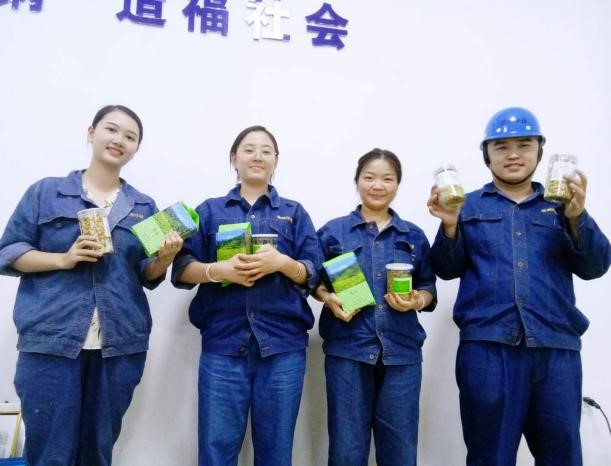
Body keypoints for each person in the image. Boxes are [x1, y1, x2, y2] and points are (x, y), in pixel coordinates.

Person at [0, 104, 183, 466]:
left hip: (119, 344)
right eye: (111, 129)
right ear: (91, 132)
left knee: (98, 451)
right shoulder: (47, 192)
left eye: (130, 136)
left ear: (136, 148)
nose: (119, 140)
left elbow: (146, 275)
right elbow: (9, 251)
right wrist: (63, 259)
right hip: (51, 340)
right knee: (49, 453)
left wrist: (165, 258)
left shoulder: (144, 206)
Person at [427, 106, 611, 466]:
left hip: (555, 348)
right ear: (487, 155)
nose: (513, 154)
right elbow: (446, 270)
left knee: (562, 456)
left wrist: (577, 217)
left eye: (524, 145)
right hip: (487, 349)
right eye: (501, 146)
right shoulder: (467, 206)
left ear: (540, 151)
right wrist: (449, 225)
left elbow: (596, 266)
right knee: (489, 456)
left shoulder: (563, 205)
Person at [172, 125, 321, 466]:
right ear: (233, 159)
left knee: (276, 452)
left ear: (276, 161)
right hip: (223, 344)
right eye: (249, 149)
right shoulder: (209, 211)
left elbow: (312, 273)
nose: (257, 156)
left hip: (282, 346)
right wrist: (218, 271)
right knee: (216, 452)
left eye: (266, 151)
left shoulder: (294, 213)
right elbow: (181, 269)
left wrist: (283, 264)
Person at [315, 149, 436, 466]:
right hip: (348, 351)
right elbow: (312, 280)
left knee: (400, 452)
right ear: (357, 181)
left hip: (402, 354)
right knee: (346, 452)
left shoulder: (413, 235)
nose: (377, 185)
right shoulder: (333, 232)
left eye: (387, 178)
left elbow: (428, 287)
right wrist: (328, 298)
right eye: (369, 177)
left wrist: (417, 300)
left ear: (397, 184)